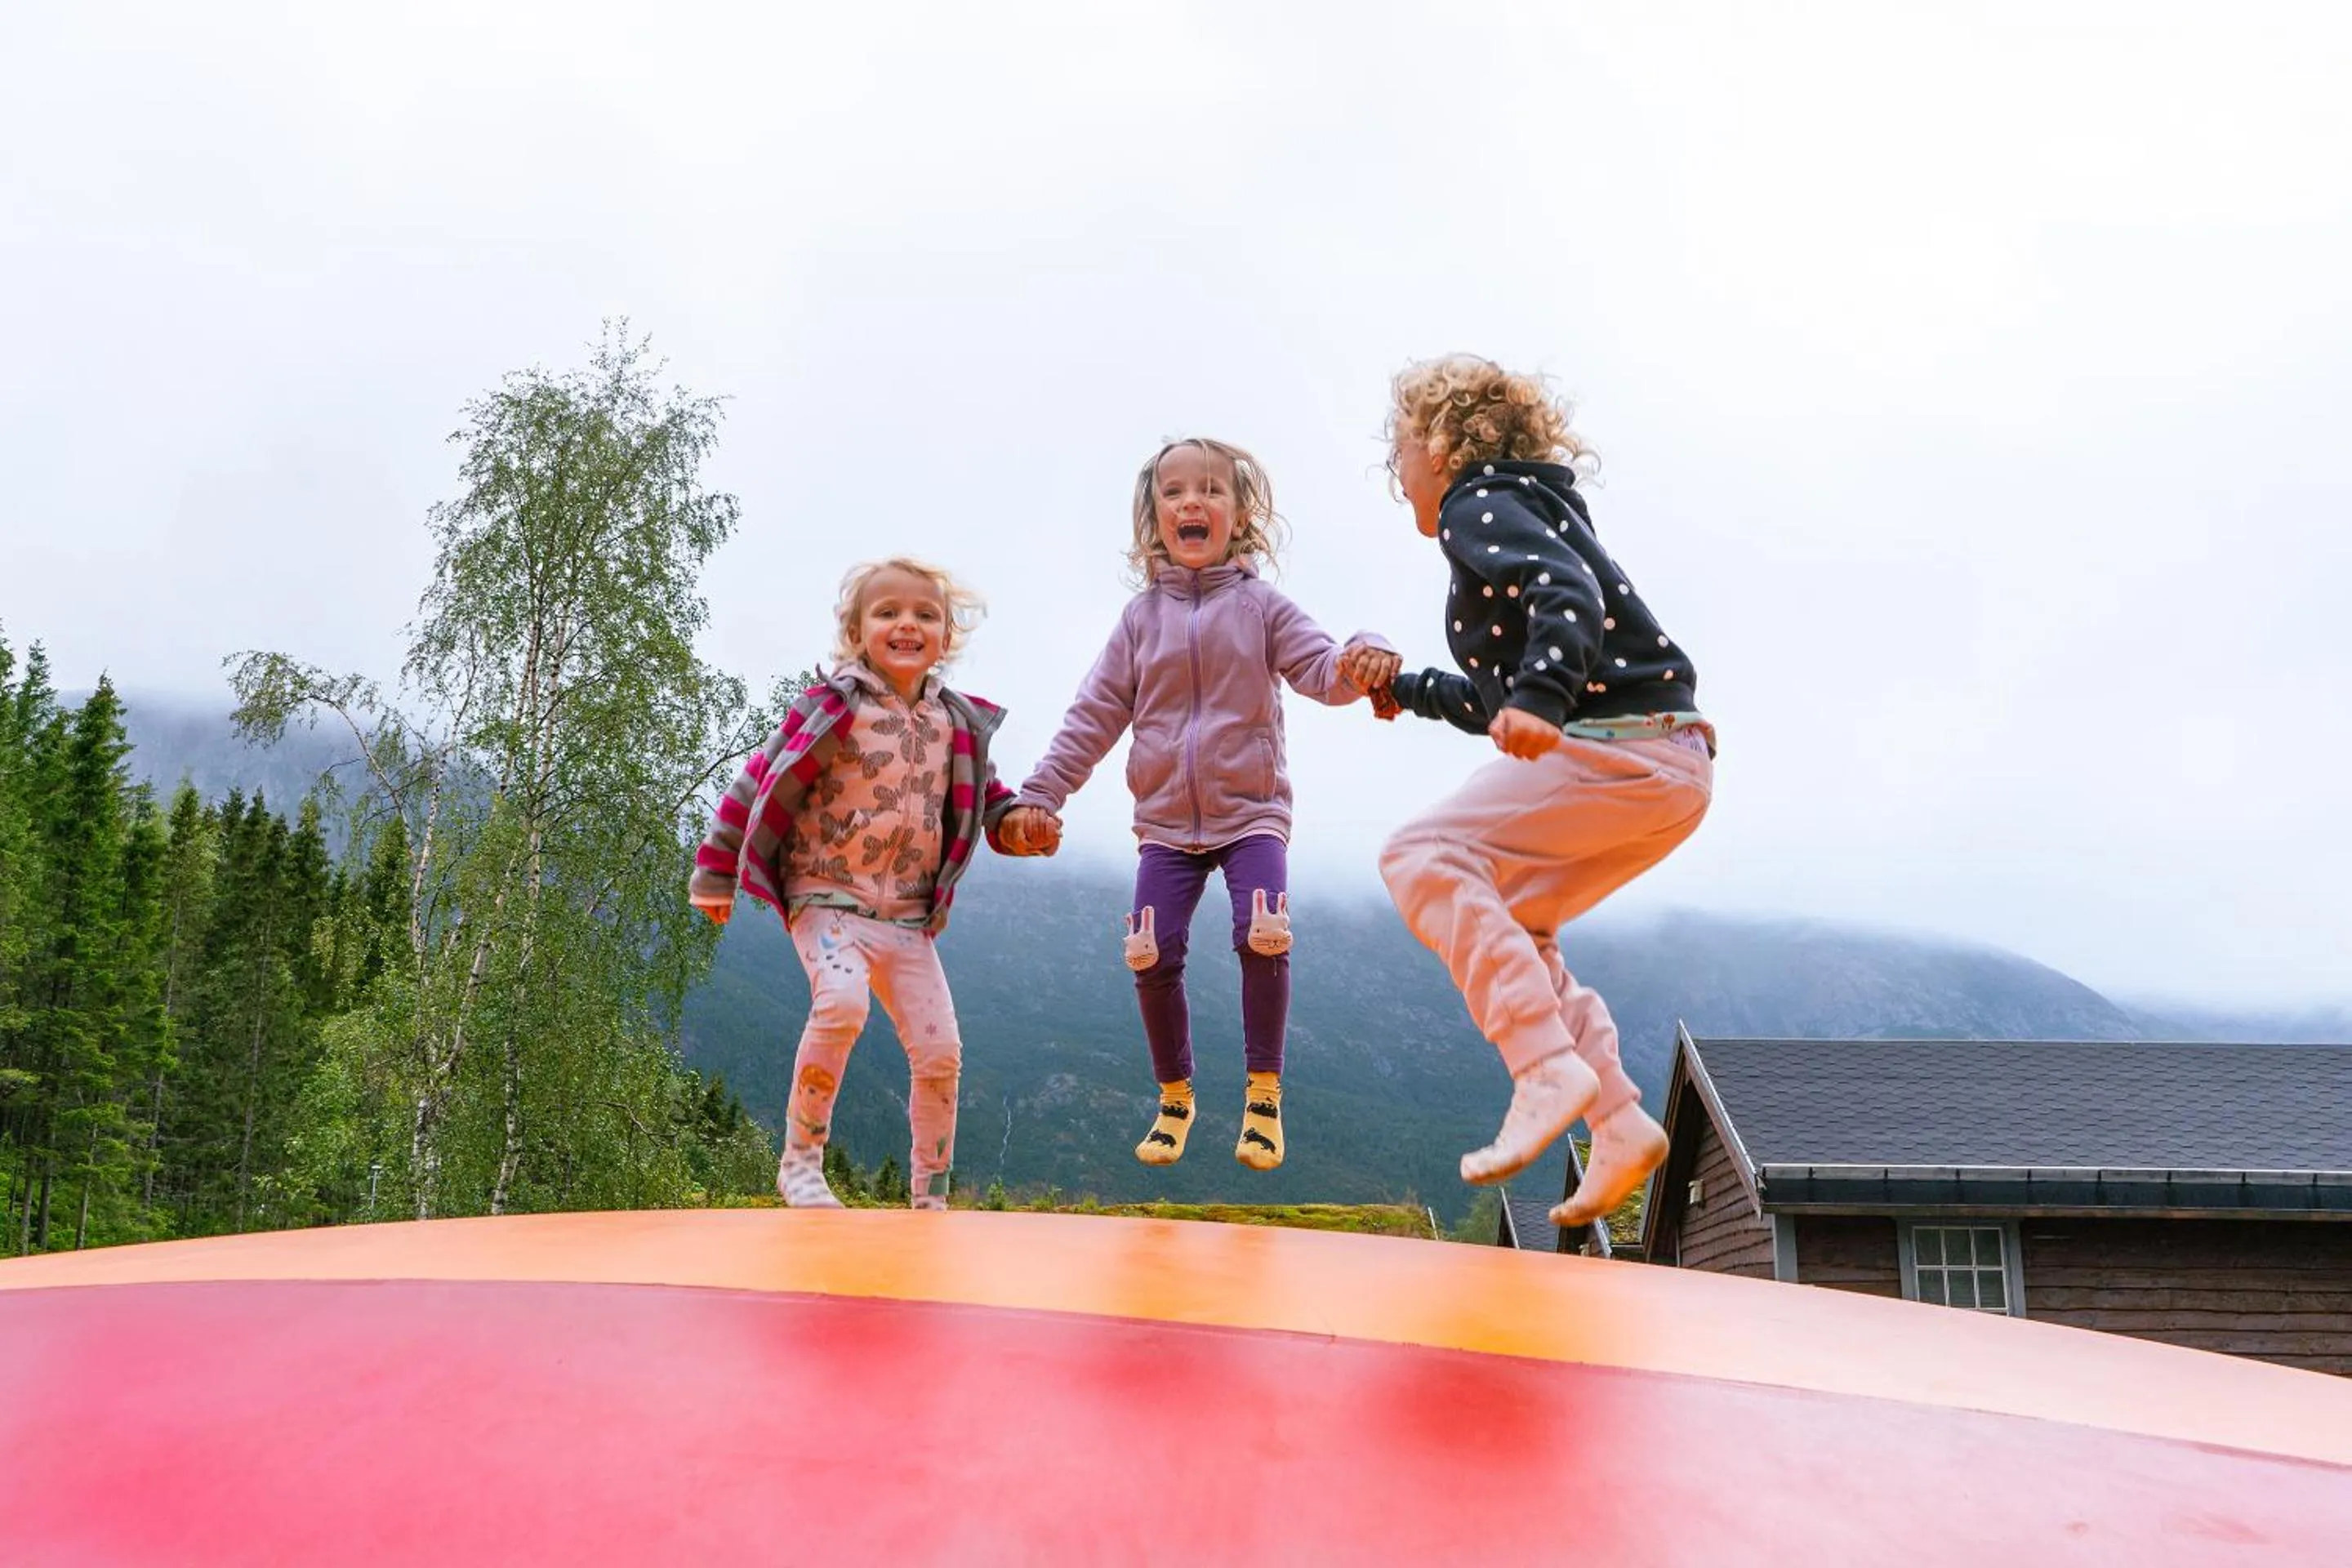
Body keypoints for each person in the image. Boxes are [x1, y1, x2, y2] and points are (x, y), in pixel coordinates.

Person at [1371, 356, 1714, 1228]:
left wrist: (1541, 701)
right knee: (1519, 921)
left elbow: (1571, 597)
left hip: (1619, 748)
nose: (1395, 471)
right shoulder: (1528, 509)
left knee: (1421, 853)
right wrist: (1407, 690)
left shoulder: (1473, 507)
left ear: (1442, 445)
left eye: (1398, 450)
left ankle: (1543, 1066)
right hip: (1667, 763)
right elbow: (1493, 702)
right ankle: (1619, 1120)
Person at [1001, 438, 1394, 1173]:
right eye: (1175, 492)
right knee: (1149, 952)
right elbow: (1094, 714)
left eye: (1211, 490)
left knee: (1265, 933)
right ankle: (1176, 1096)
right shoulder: (1138, 621)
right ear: (1154, 516)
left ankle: (1264, 1095)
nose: (1192, 502)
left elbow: (1324, 671)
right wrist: (1042, 795)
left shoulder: (1262, 607)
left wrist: (1365, 650)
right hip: (1165, 826)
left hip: (1251, 813)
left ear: (1240, 514)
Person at [688, 556, 1031, 1210]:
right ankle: (801, 1164)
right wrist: (716, 871)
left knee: (941, 1051)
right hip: (824, 897)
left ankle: (930, 1195)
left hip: (907, 919)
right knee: (842, 1004)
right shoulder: (829, 708)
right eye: (888, 612)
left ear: (946, 636)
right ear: (856, 631)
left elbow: (990, 799)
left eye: (925, 615)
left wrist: (1019, 825)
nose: (908, 624)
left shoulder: (956, 724)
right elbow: (758, 779)